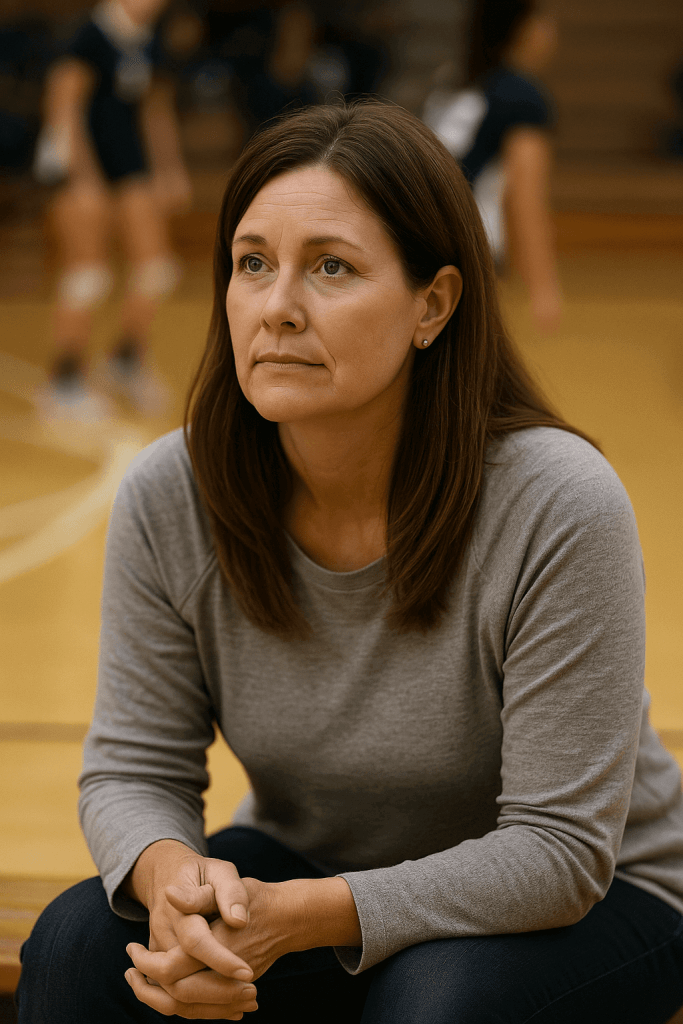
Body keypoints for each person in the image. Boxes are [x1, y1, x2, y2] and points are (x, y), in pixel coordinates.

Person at [16, 100, 683, 1022]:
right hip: (311, 870)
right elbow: (134, 768)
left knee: (432, 1002)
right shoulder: (173, 491)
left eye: (331, 267)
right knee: (79, 946)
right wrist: (173, 882)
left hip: (594, 896)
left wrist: (305, 916)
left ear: (432, 305)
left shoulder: (557, 501)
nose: (278, 307)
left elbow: (558, 849)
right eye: (253, 263)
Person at [33, 0, 191, 422]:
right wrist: (82, 178)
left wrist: (169, 169)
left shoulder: (148, 41)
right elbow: (62, 109)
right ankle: (63, 382)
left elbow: (154, 110)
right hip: (80, 170)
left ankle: (124, 360)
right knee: (88, 276)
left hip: (129, 169)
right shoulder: (87, 38)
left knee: (157, 270)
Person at [423, 0, 561, 332]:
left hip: (420, 241)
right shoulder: (521, 98)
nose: (553, 32)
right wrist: (543, 287)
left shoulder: (452, 83)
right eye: (545, 21)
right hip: (470, 248)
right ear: (523, 29)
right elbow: (526, 198)